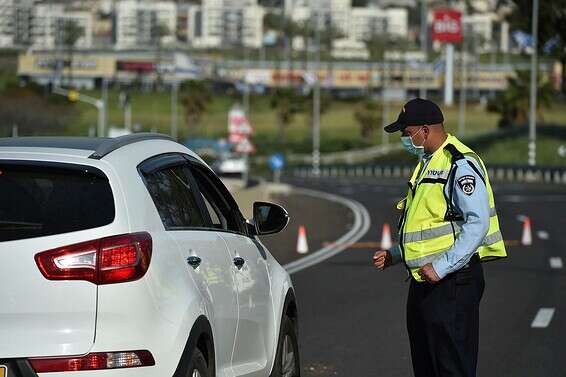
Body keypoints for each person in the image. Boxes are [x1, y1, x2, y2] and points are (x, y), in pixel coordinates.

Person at [372, 98, 507, 377]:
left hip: (452, 282)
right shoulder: (428, 163)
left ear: (425, 130)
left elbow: (476, 223)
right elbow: (429, 224)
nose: (404, 139)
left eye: (406, 134)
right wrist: (397, 255)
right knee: (427, 364)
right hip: (425, 279)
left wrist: (441, 267)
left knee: (451, 366)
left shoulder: (459, 164)